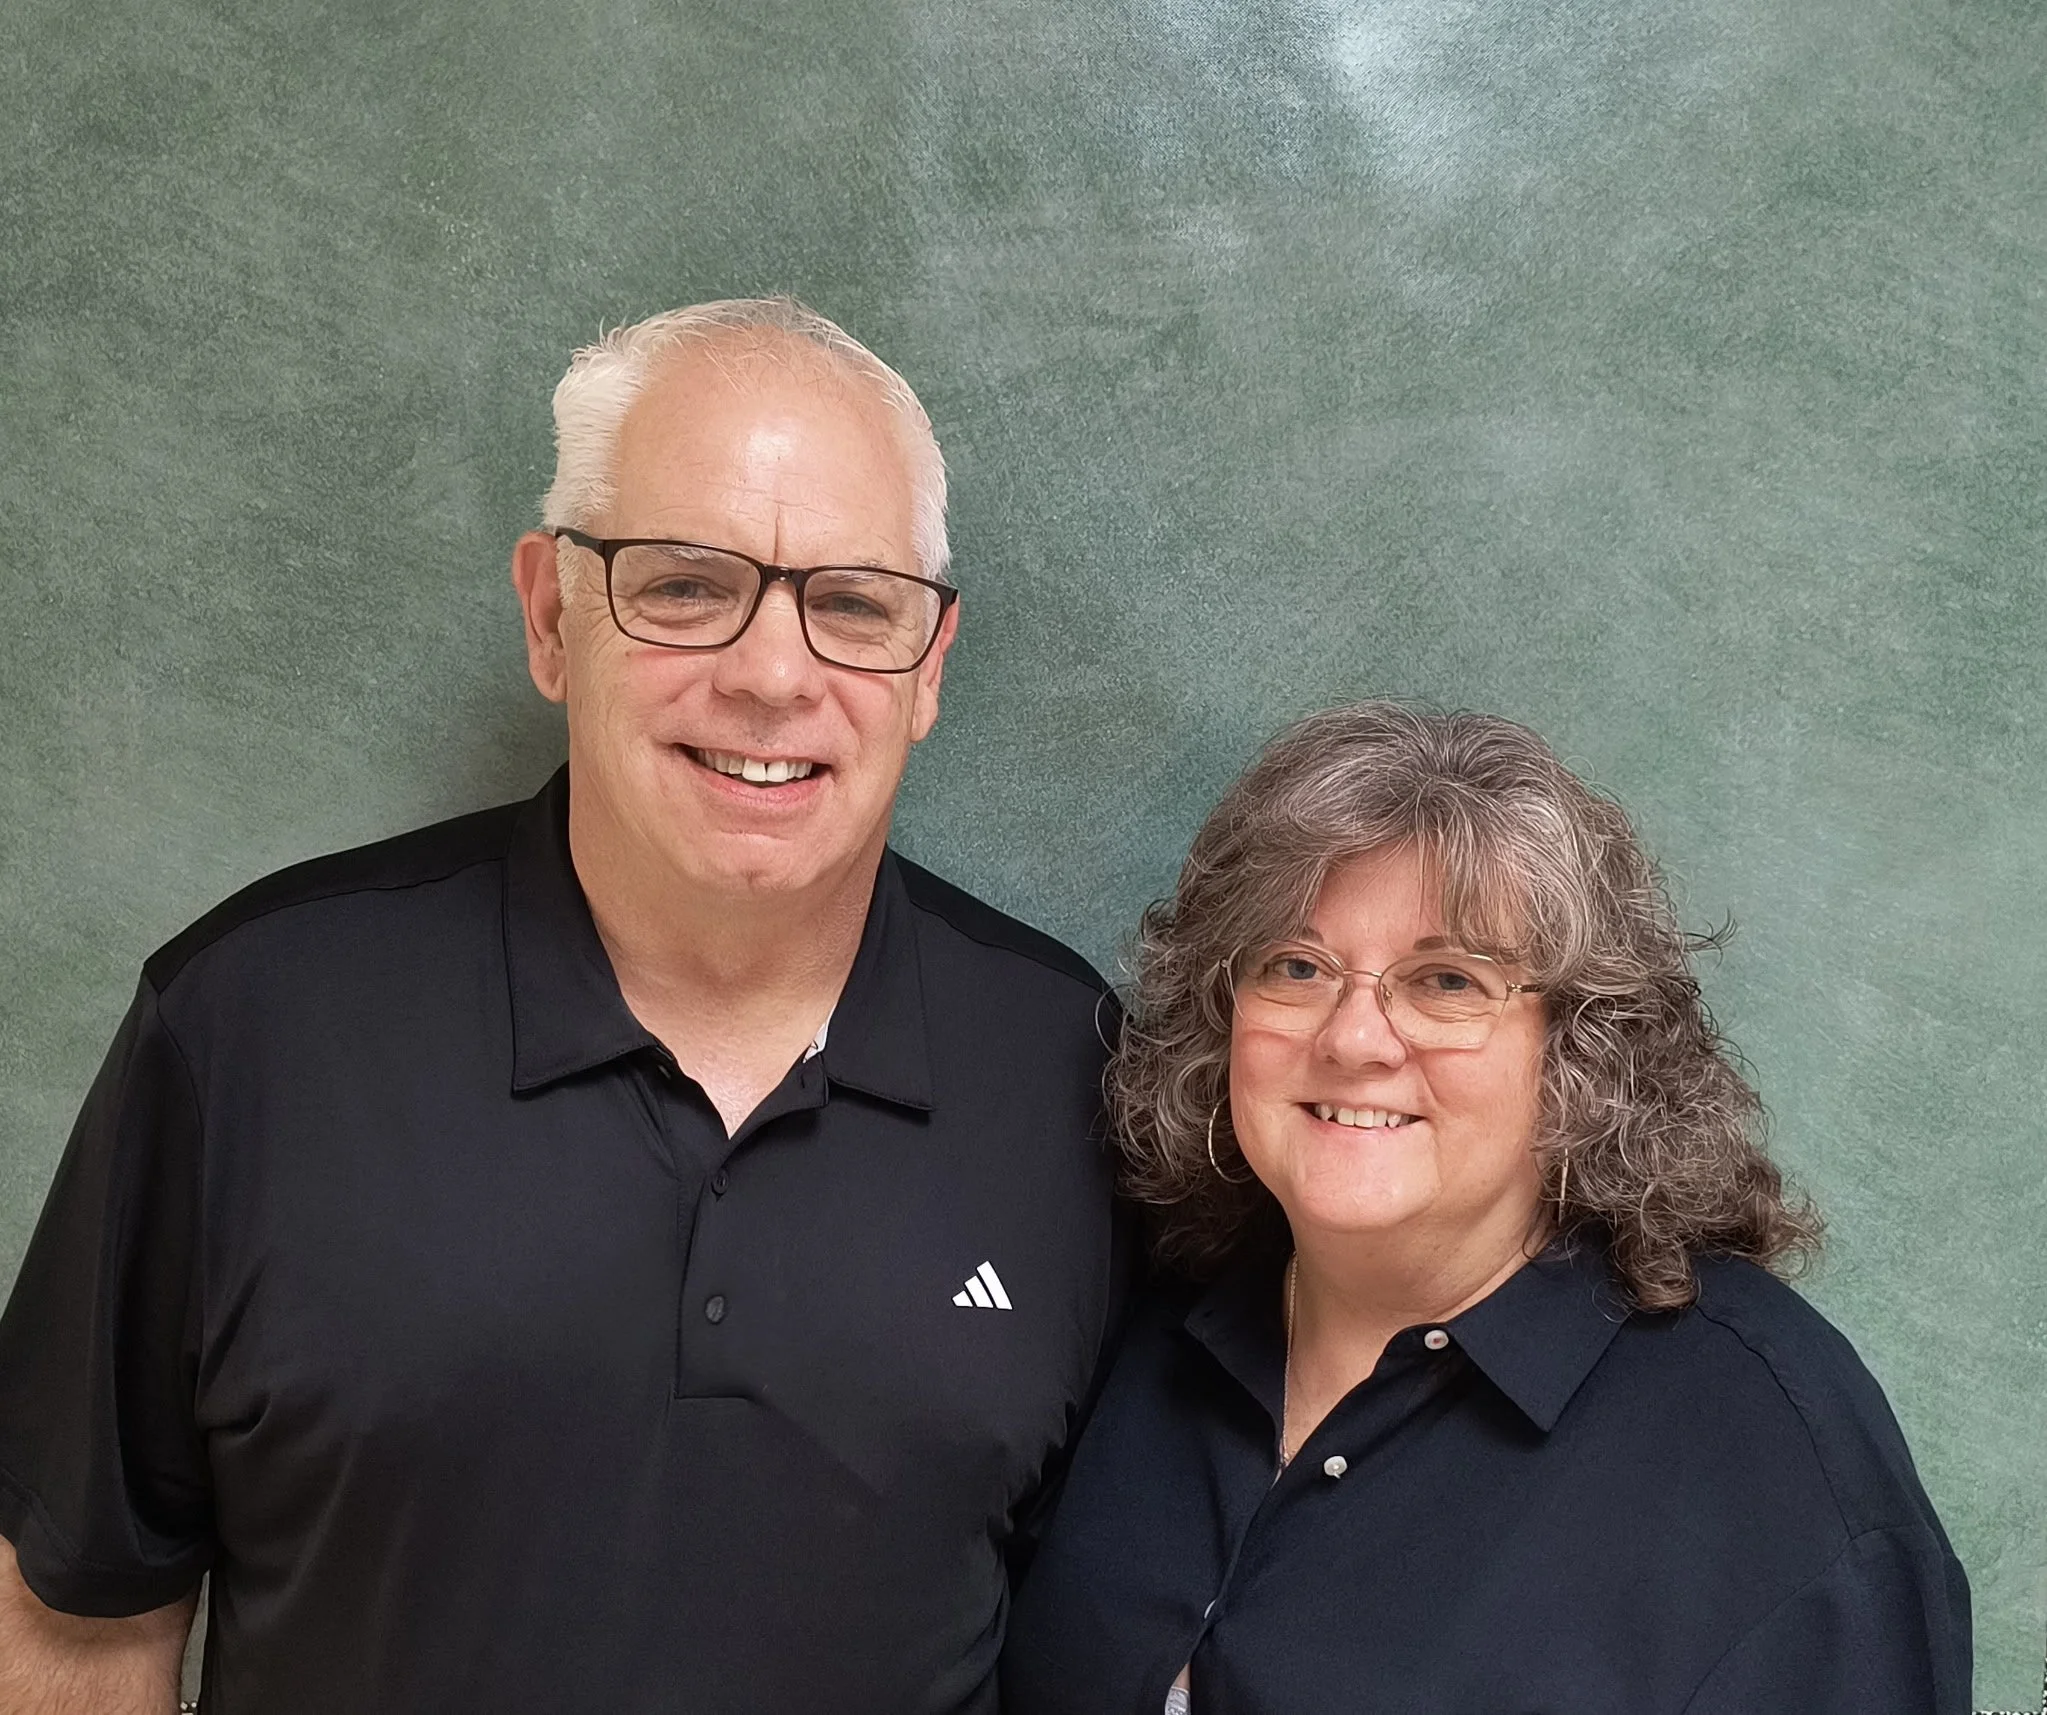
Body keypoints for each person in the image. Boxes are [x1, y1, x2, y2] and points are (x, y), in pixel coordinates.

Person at [0, 298, 1123, 1714]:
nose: (773, 674)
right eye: (684, 585)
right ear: (549, 614)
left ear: (929, 666)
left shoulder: (1072, 1077)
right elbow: (73, 1619)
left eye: (852, 604)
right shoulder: (253, 1030)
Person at [1002, 701, 1972, 1715]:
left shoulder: (1775, 1459)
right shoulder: (1127, 1325)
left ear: (1577, 1049)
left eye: (1446, 981)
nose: (1353, 1037)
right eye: (1297, 966)